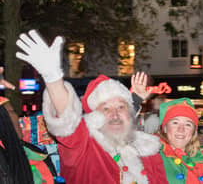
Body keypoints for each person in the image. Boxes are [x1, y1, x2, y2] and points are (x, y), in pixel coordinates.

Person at [16, 30, 169, 184]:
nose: (115, 113)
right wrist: (53, 77)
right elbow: (67, 122)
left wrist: (134, 99)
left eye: (121, 107)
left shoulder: (147, 148)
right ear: (95, 117)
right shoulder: (83, 145)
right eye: (106, 108)